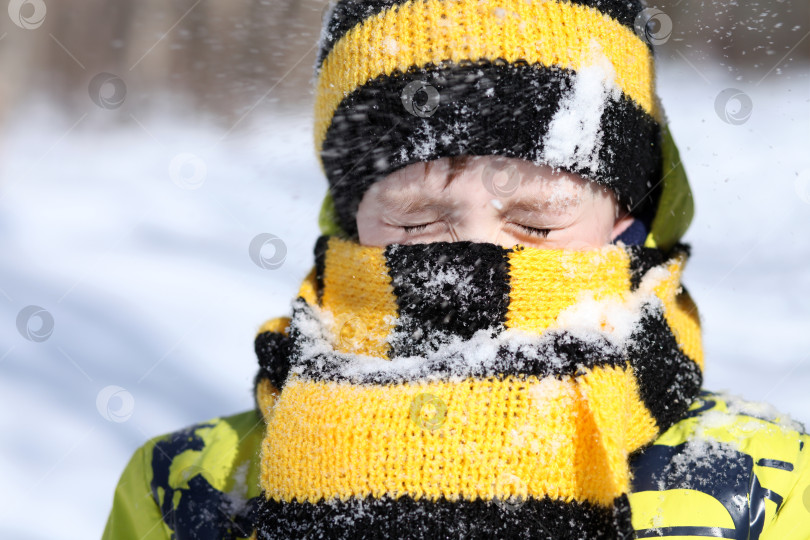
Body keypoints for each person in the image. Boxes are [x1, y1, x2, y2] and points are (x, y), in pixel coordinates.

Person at [102, 1, 810, 538]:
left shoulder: (765, 482)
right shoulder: (186, 488)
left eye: (537, 221)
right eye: (416, 220)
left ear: (627, 223)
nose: (478, 248)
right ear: (351, 222)